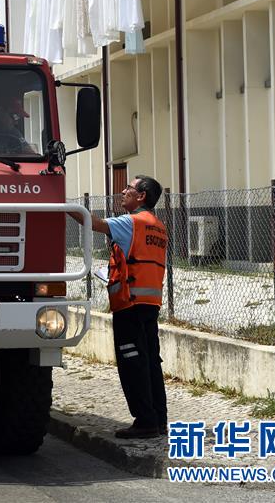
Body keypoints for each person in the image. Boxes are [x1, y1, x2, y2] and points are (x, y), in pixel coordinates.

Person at [69, 175, 168, 439]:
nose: (123, 191)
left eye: (129, 188)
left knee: (132, 363)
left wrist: (63, 205)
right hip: (149, 303)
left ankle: (145, 422)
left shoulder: (131, 222)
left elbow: (92, 222)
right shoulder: (158, 226)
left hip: (130, 304)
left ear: (142, 196)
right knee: (150, 362)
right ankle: (159, 419)